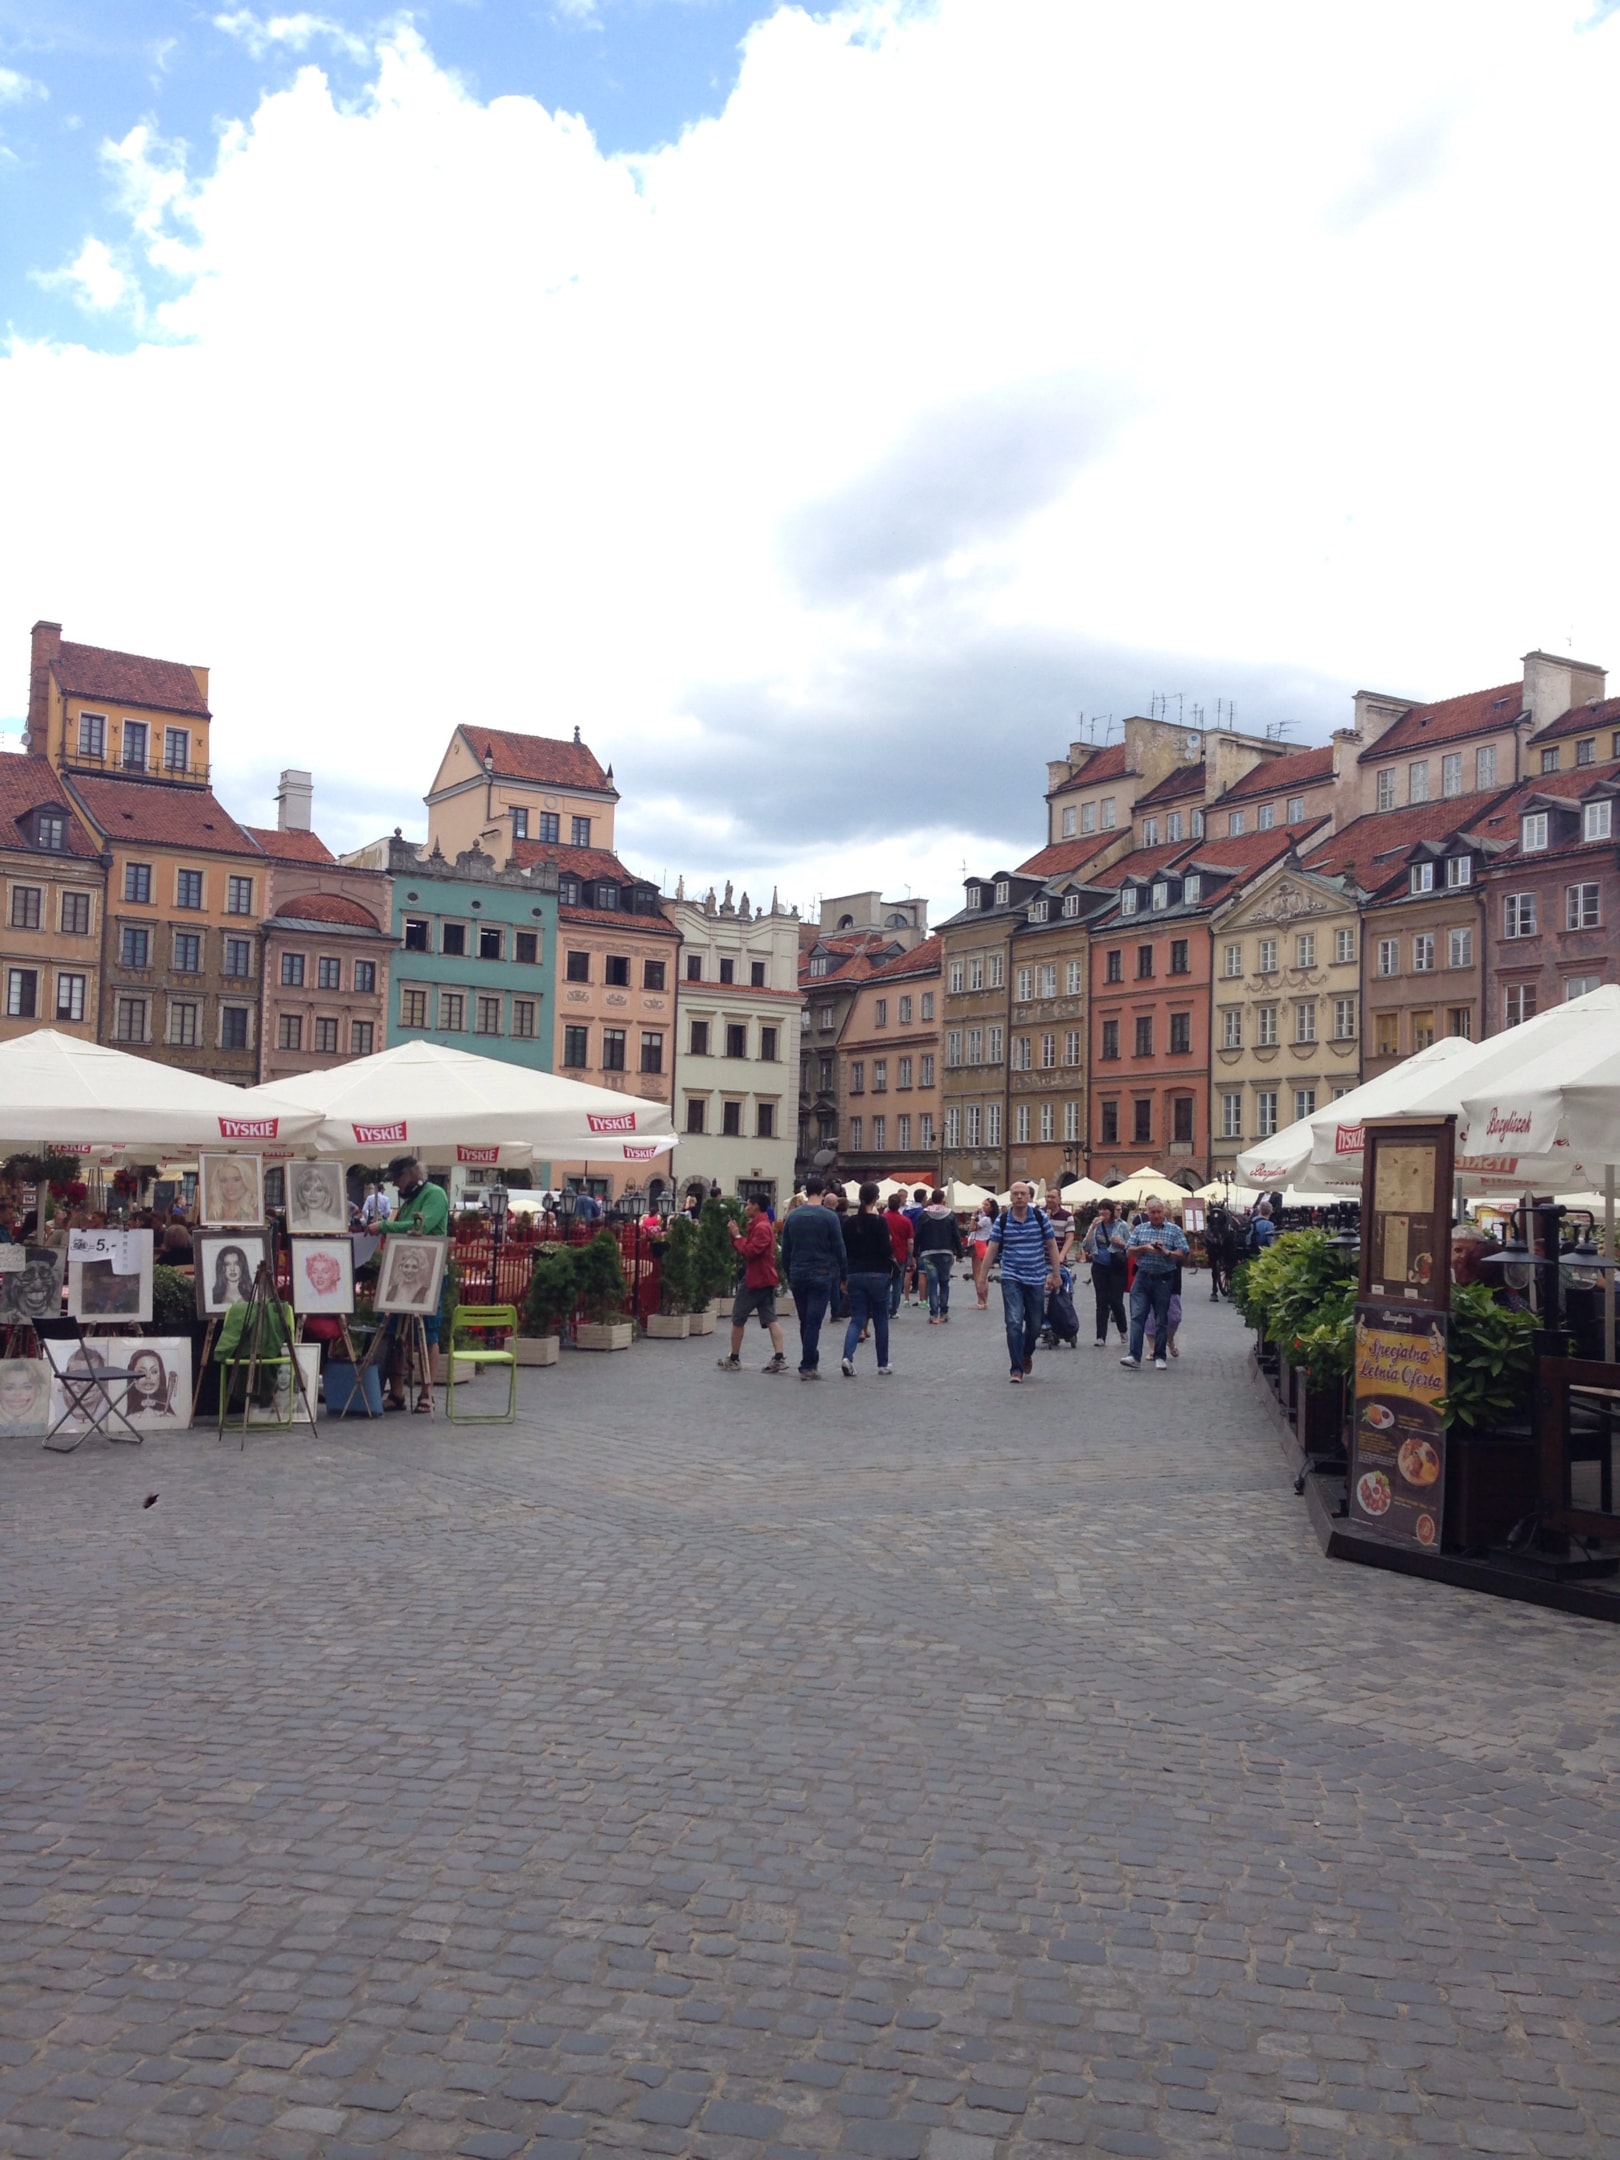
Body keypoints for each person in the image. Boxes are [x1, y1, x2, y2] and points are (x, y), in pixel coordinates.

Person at [378, 1157, 450, 1410]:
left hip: (429, 1276)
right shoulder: (408, 1202)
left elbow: (421, 1226)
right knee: (394, 1332)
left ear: (410, 1175)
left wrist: (384, 1225)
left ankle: (427, 1393)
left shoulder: (435, 1194)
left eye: (398, 1179)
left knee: (427, 1333)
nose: (396, 1185)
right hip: (402, 1275)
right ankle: (397, 1393)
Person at [990, 1182, 1060, 1383]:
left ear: (1029, 1197)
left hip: (1036, 1277)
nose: (1019, 1197)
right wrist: (981, 1278)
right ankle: (1016, 1369)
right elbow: (993, 1248)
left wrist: (1056, 1274)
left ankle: (1026, 1352)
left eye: (1023, 1193)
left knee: (1035, 1325)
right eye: (1015, 1194)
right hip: (1011, 1277)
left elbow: (1052, 1246)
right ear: (1010, 1197)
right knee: (1013, 1322)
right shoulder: (1002, 1220)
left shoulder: (1040, 1218)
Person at [779, 1177, 847, 1379]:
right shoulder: (829, 1217)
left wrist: (788, 1272)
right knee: (813, 1321)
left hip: (798, 1273)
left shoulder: (793, 1217)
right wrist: (844, 1274)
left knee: (804, 1319)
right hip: (821, 1273)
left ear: (806, 1192)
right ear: (823, 1192)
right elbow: (839, 1248)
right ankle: (808, 1364)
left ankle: (809, 1358)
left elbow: (786, 1250)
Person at [718, 1196, 787, 1373]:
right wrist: (738, 1237)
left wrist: (737, 1235)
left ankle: (734, 1358)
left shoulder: (762, 1227)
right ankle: (779, 1357)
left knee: (738, 1318)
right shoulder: (762, 1225)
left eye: (748, 1204)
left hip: (756, 1279)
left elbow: (750, 1251)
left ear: (756, 1206)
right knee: (771, 1318)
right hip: (765, 1279)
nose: (746, 1207)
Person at [1121, 1198, 1192, 1370]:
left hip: (1164, 1278)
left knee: (1162, 1318)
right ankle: (1134, 1355)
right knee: (1138, 1316)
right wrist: (1144, 1248)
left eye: (1159, 1212)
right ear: (1147, 1213)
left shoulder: (1174, 1230)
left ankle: (1160, 1355)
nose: (1156, 1215)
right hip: (1142, 1277)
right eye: (1152, 1213)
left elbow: (1185, 1253)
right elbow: (1129, 1251)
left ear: (1163, 1212)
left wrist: (1167, 1252)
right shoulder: (1140, 1229)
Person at [839, 1183, 895, 1376]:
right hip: (878, 1274)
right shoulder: (880, 1223)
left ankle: (847, 1357)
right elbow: (886, 1251)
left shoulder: (849, 1223)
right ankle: (882, 1363)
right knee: (880, 1319)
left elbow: (844, 1251)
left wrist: (842, 1276)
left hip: (855, 1273)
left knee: (857, 1319)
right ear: (876, 1198)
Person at [912, 1190, 965, 1321]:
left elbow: (917, 1235)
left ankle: (933, 1314)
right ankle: (944, 1313)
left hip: (928, 1253)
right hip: (946, 1253)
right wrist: (960, 1253)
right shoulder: (950, 1215)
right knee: (944, 1283)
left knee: (932, 1282)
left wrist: (915, 1253)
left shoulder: (924, 1215)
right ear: (942, 1199)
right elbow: (956, 1235)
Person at [1082, 1201, 1128, 1347]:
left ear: (1112, 1211)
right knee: (1101, 1301)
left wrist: (1120, 1243)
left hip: (1117, 1267)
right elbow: (1086, 1245)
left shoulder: (1122, 1225)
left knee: (1116, 1301)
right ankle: (1100, 1336)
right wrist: (1092, 1229)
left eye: (1105, 1209)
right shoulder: (1095, 1225)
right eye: (1100, 1209)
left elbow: (1132, 1245)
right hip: (1099, 1266)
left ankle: (1123, 1330)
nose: (1102, 1212)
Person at [883, 1193, 914, 1319]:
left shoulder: (882, 1218)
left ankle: (885, 1306)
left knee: (885, 1282)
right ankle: (893, 1310)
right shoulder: (905, 1221)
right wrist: (911, 1256)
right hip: (900, 1255)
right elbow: (910, 1241)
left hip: (884, 1255)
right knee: (897, 1282)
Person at [971, 1197, 999, 1308]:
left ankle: (981, 1301)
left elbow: (972, 1228)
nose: (983, 1206)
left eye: (986, 1205)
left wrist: (973, 1216)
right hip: (984, 1244)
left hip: (978, 1244)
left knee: (978, 1274)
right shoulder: (990, 1219)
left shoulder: (986, 1219)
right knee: (983, 1274)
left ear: (991, 1208)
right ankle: (984, 1301)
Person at [211, 1243, 256, 1309]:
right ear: (221, 1267)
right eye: (227, 1264)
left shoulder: (254, 1294)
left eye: (236, 1263)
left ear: (243, 1265)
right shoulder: (214, 1297)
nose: (232, 1268)